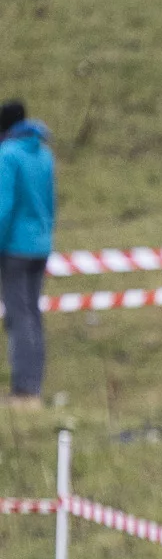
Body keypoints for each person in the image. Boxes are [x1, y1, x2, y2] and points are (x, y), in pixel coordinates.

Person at [0, 102, 54, 410]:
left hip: (14, 248)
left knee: (18, 317)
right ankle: (33, 385)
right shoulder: (44, 154)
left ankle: (23, 391)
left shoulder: (7, 155)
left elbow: (3, 206)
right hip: (40, 245)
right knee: (33, 314)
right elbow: (50, 202)